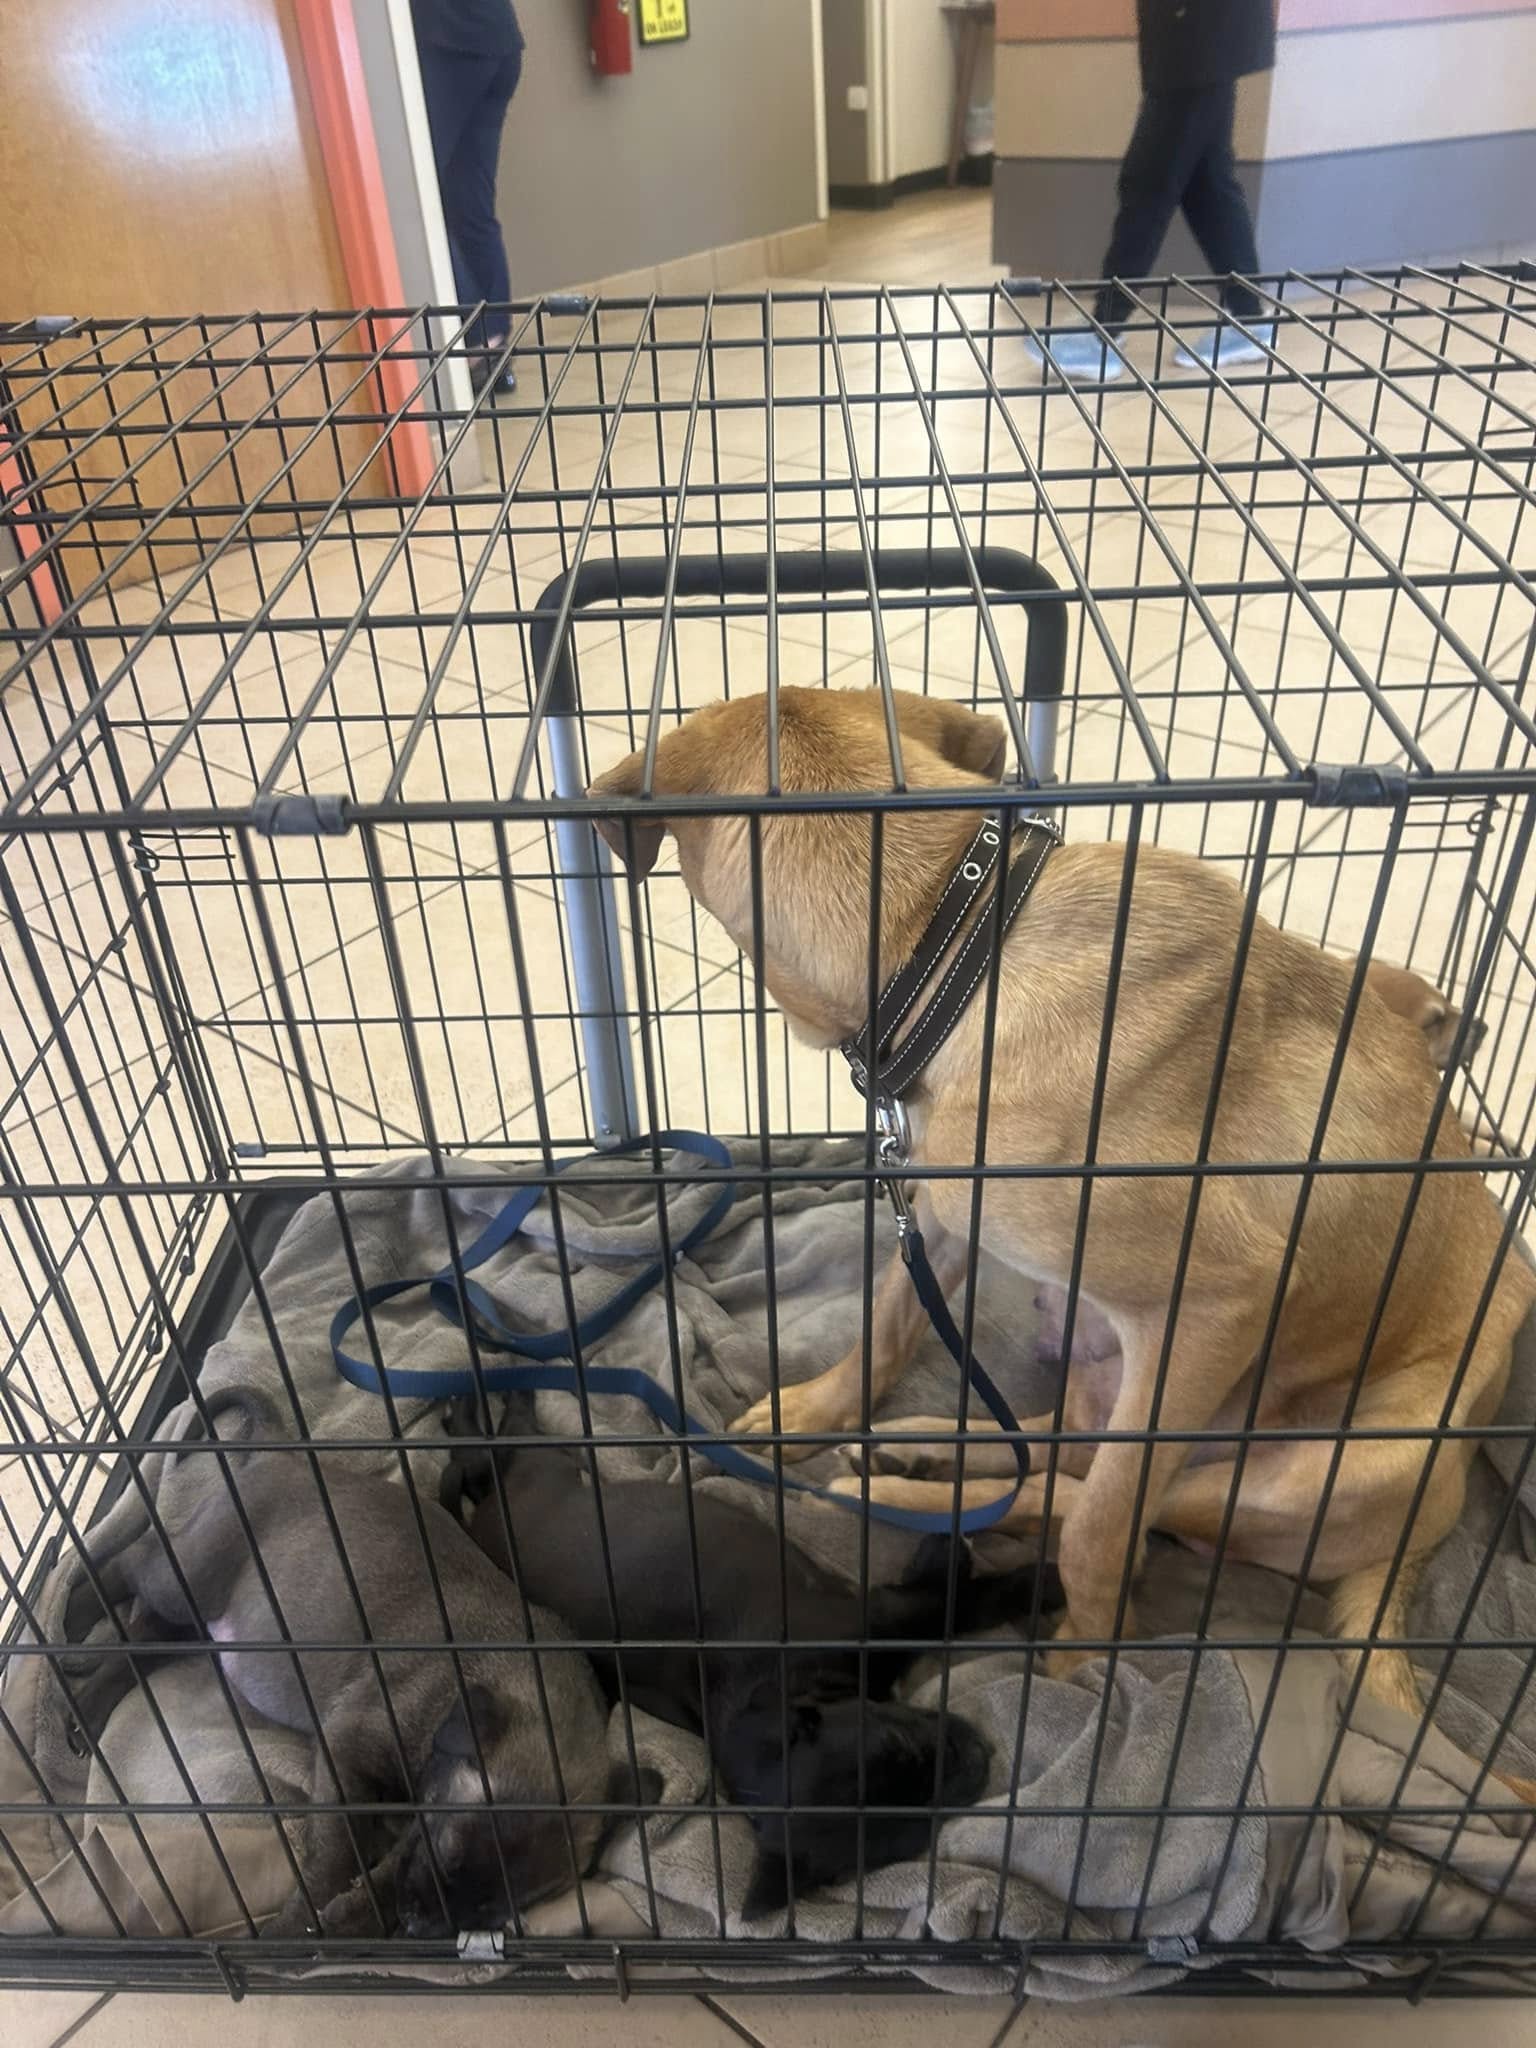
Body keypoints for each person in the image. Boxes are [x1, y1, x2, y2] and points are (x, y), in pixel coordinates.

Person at [1029, 0, 1276, 383]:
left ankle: (1104, 332)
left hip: (1198, 28)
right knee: (1206, 183)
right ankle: (1248, 318)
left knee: (1148, 179)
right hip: (1202, 30)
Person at [411, 0, 525, 398]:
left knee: (418, 198)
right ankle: (493, 346)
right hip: (498, 38)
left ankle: (479, 345)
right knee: (471, 210)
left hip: (448, 41)